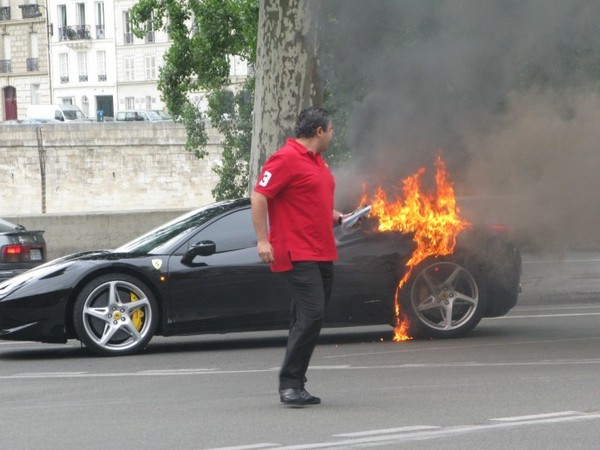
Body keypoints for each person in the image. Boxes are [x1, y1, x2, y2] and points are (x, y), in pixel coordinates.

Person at [251, 106, 346, 406]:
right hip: (297, 251)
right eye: (331, 130)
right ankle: (290, 384)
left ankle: (295, 382)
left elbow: (305, 200)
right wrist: (263, 240)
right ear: (319, 131)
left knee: (306, 317)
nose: (333, 134)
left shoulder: (319, 161)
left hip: (320, 250)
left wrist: (331, 216)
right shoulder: (286, 158)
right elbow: (259, 196)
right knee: (312, 314)